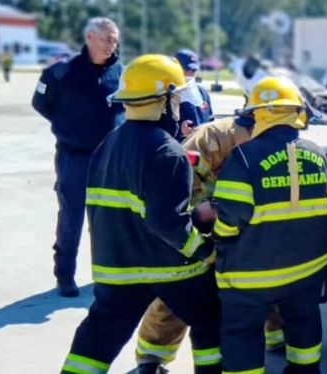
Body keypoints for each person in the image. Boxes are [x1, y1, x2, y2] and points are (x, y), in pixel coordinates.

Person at [60, 54, 222, 374]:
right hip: (168, 270)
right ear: (164, 102)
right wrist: (204, 251)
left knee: (98, 336)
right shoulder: (167, 151)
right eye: (176, 100)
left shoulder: (108, 145)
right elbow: (167, 223)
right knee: (211, 318)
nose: (178, 107)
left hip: (116, 268)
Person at [212, 76, 327, 374]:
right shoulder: (316, 153)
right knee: (304, 324)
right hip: (307, 269)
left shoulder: (243, 157)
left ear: (257, 114)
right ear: (296, 111)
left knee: (242, 335)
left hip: (252, 275)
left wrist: (217, 239)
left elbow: (230, 219)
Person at [134, 110, 260, 373]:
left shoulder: (275, 139)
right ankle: (152, 357)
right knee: (179, 291)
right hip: (200, 227)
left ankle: (272, 340)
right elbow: (178, 190)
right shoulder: (213, 137)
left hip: (244, 230)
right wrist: (211, 216)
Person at [32, 17, 123, 297]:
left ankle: (106, 275)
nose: (113, 44)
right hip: (76, 158)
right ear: (90, 38)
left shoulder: (120, 72)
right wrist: (69, 126)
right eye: (107, 38)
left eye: (116, 39)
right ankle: (65, 276)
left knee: (108, 219)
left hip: (110, 159)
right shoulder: (62, 72)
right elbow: (40, 103)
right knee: (71, 218)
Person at [174, 48, 213, 140]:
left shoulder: (202, 92)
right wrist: (180, 130)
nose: (190, 73)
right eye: (187, 69)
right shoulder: (169, 95)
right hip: (181, 147)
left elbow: (211, 120)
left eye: (194, 70)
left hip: (202, 147)